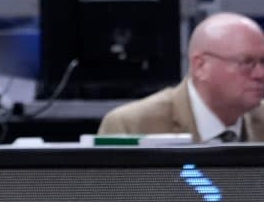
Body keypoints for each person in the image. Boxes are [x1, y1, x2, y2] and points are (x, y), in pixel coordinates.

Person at [98, 12, 264, 143]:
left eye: (263, 62)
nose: (260, 74)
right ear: (201, 66)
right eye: (246, 62)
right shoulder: (131, 126)